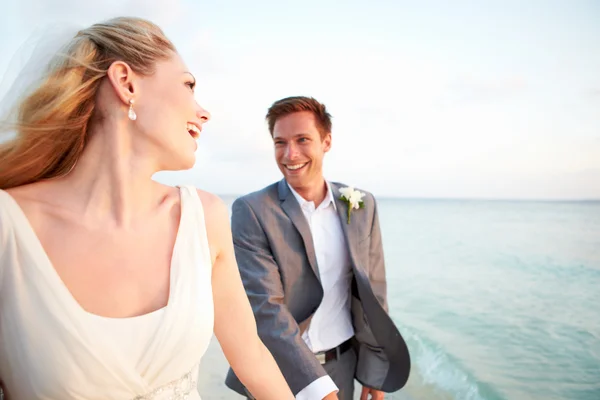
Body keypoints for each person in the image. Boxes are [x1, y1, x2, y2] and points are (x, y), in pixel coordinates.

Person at [0, 17, 294, 400]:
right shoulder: (9, 227)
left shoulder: (203, 218)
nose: (203, 112)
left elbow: (252, 359)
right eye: (188, 85)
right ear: (126, 82)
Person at [225, 96, 411, 400]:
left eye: (302, 140)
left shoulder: (361, 204)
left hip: (343, 365)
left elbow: (374, 291)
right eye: (280, 142)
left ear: (326, 141)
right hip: (278, 372)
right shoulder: (253, 210)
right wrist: (318, 390)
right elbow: (265, 307)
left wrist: (375, 372)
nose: (290, 153)